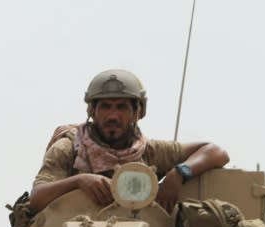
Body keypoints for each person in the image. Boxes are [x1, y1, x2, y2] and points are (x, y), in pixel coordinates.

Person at [29, 69, 230, 214]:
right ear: (93, 112)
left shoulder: (147, 151)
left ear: (137, 113)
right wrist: (79, 181)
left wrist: (178, 174)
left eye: (122, 107)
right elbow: (37, 199)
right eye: (105, 107)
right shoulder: (70, 147)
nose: (113, 115)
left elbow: (216, 152)